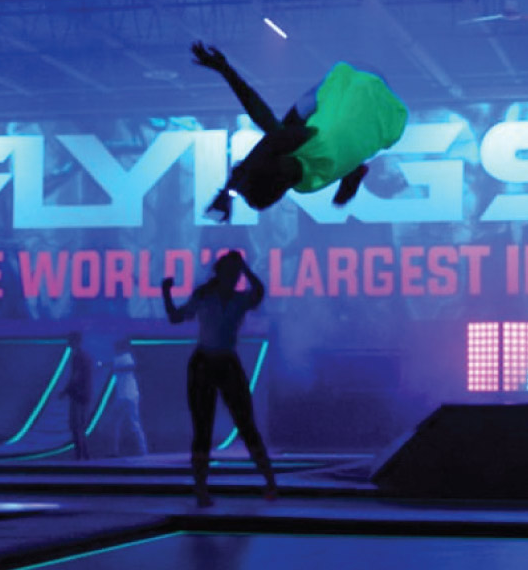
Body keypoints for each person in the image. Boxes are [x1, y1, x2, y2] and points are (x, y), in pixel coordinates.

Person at [191, 41, 408, 221]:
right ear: (274, 165)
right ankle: (352, 170)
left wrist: (232, 191)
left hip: (389, 112)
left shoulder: (308, 185)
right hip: (360, 76)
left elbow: (268, 141)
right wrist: (228, 192)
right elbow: (268, 136)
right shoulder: (306, 142)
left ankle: (353, 170)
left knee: (294, 132)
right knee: (289, 128)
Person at [162, 250, 276, 507]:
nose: (235, 278)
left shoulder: (239, 300)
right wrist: (166, 292)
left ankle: (269, 481)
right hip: (204, 362)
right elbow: (175, 317)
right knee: (203, 428)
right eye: (232, 273)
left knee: (246, 423)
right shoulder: (204, 297)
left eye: (237, 274)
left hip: (226, 361)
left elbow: (259, 291)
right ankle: (201, 489)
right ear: (222, 273)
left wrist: (245, 267)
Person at [110, 337, 148, 457]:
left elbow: (131, 366)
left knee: (121, 424)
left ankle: (116, 451)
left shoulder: (122, 358)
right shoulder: (122, 358)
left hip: (125, 395)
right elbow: (131, 366)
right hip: (129, 395)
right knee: (132, 424)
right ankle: (143, 451)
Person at [60, 331, 92, 460]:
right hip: (85, 394)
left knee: (76, 426)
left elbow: (76, 376)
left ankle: (80, 456)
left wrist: (66, 391)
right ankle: (84, 455)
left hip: (78, 395)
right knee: (80, 426)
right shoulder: (85, 356)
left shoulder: (78, 356)